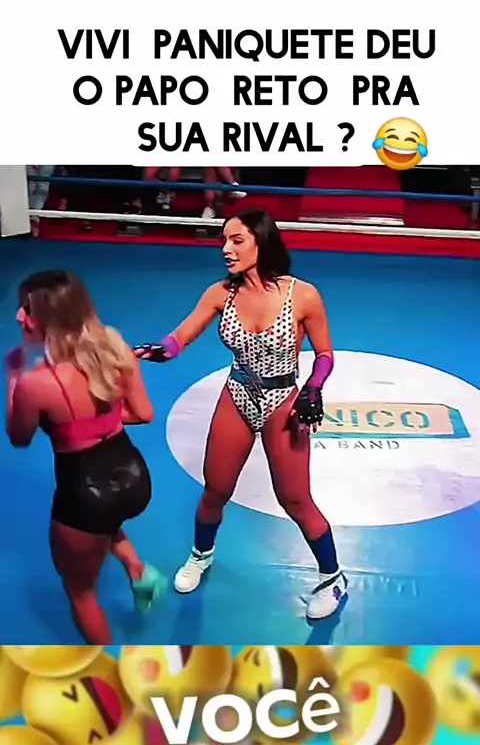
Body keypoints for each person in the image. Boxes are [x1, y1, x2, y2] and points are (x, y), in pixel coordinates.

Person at [134, 208, 346, 620]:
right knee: (215, 489)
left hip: (283, 399)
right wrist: (157, 350)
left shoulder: (302, 295)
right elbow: (179, 338)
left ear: (261, 242)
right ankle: (201, 555)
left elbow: (324, 354)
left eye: (237, 240)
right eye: (223, 242)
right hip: (238, 392)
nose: (226, 250)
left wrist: (313, 388)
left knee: (295, 499)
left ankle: (333, 578)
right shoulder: (221, 293)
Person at [5, 270, 163, 644]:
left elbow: (19, 437)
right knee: (105, 522)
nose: (18, 316)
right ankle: (138, 570)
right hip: (134, 476)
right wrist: (97, 421)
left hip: (85, 491)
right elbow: (143, 413)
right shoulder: (115, 347)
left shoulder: (35, 383)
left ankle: (110, 673)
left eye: (26, 309)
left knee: (80, 593)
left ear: (51, 319)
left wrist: (13, 383)